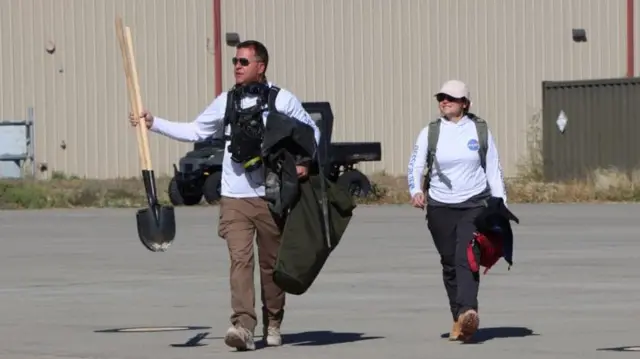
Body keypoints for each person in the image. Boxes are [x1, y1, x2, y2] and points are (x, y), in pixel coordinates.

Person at [129, 40, 321, 351]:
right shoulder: (226, 101)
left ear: (261, 66)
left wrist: (303, 163)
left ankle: (273, 320)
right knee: (239, 261)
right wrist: (153, 124)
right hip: (234, 198)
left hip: (270, 196)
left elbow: (313, 133)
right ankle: (242, 326)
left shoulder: (281, 100)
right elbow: (195, 130)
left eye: (244, 61)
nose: (237, 66)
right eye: (235, 61)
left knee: (272, 265)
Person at [406, 80, 507, 342]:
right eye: (441, 97)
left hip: (474, 203)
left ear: (465, 103)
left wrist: (500, 202)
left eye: (451, 97)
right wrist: (416, 190)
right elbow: (416, 164)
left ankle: (468, 311)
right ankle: (458, 318)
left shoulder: (479, 130)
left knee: (467, 253)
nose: (444, 101)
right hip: (440, 206)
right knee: (449, 262)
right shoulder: (430, 132)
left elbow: (493, 168)